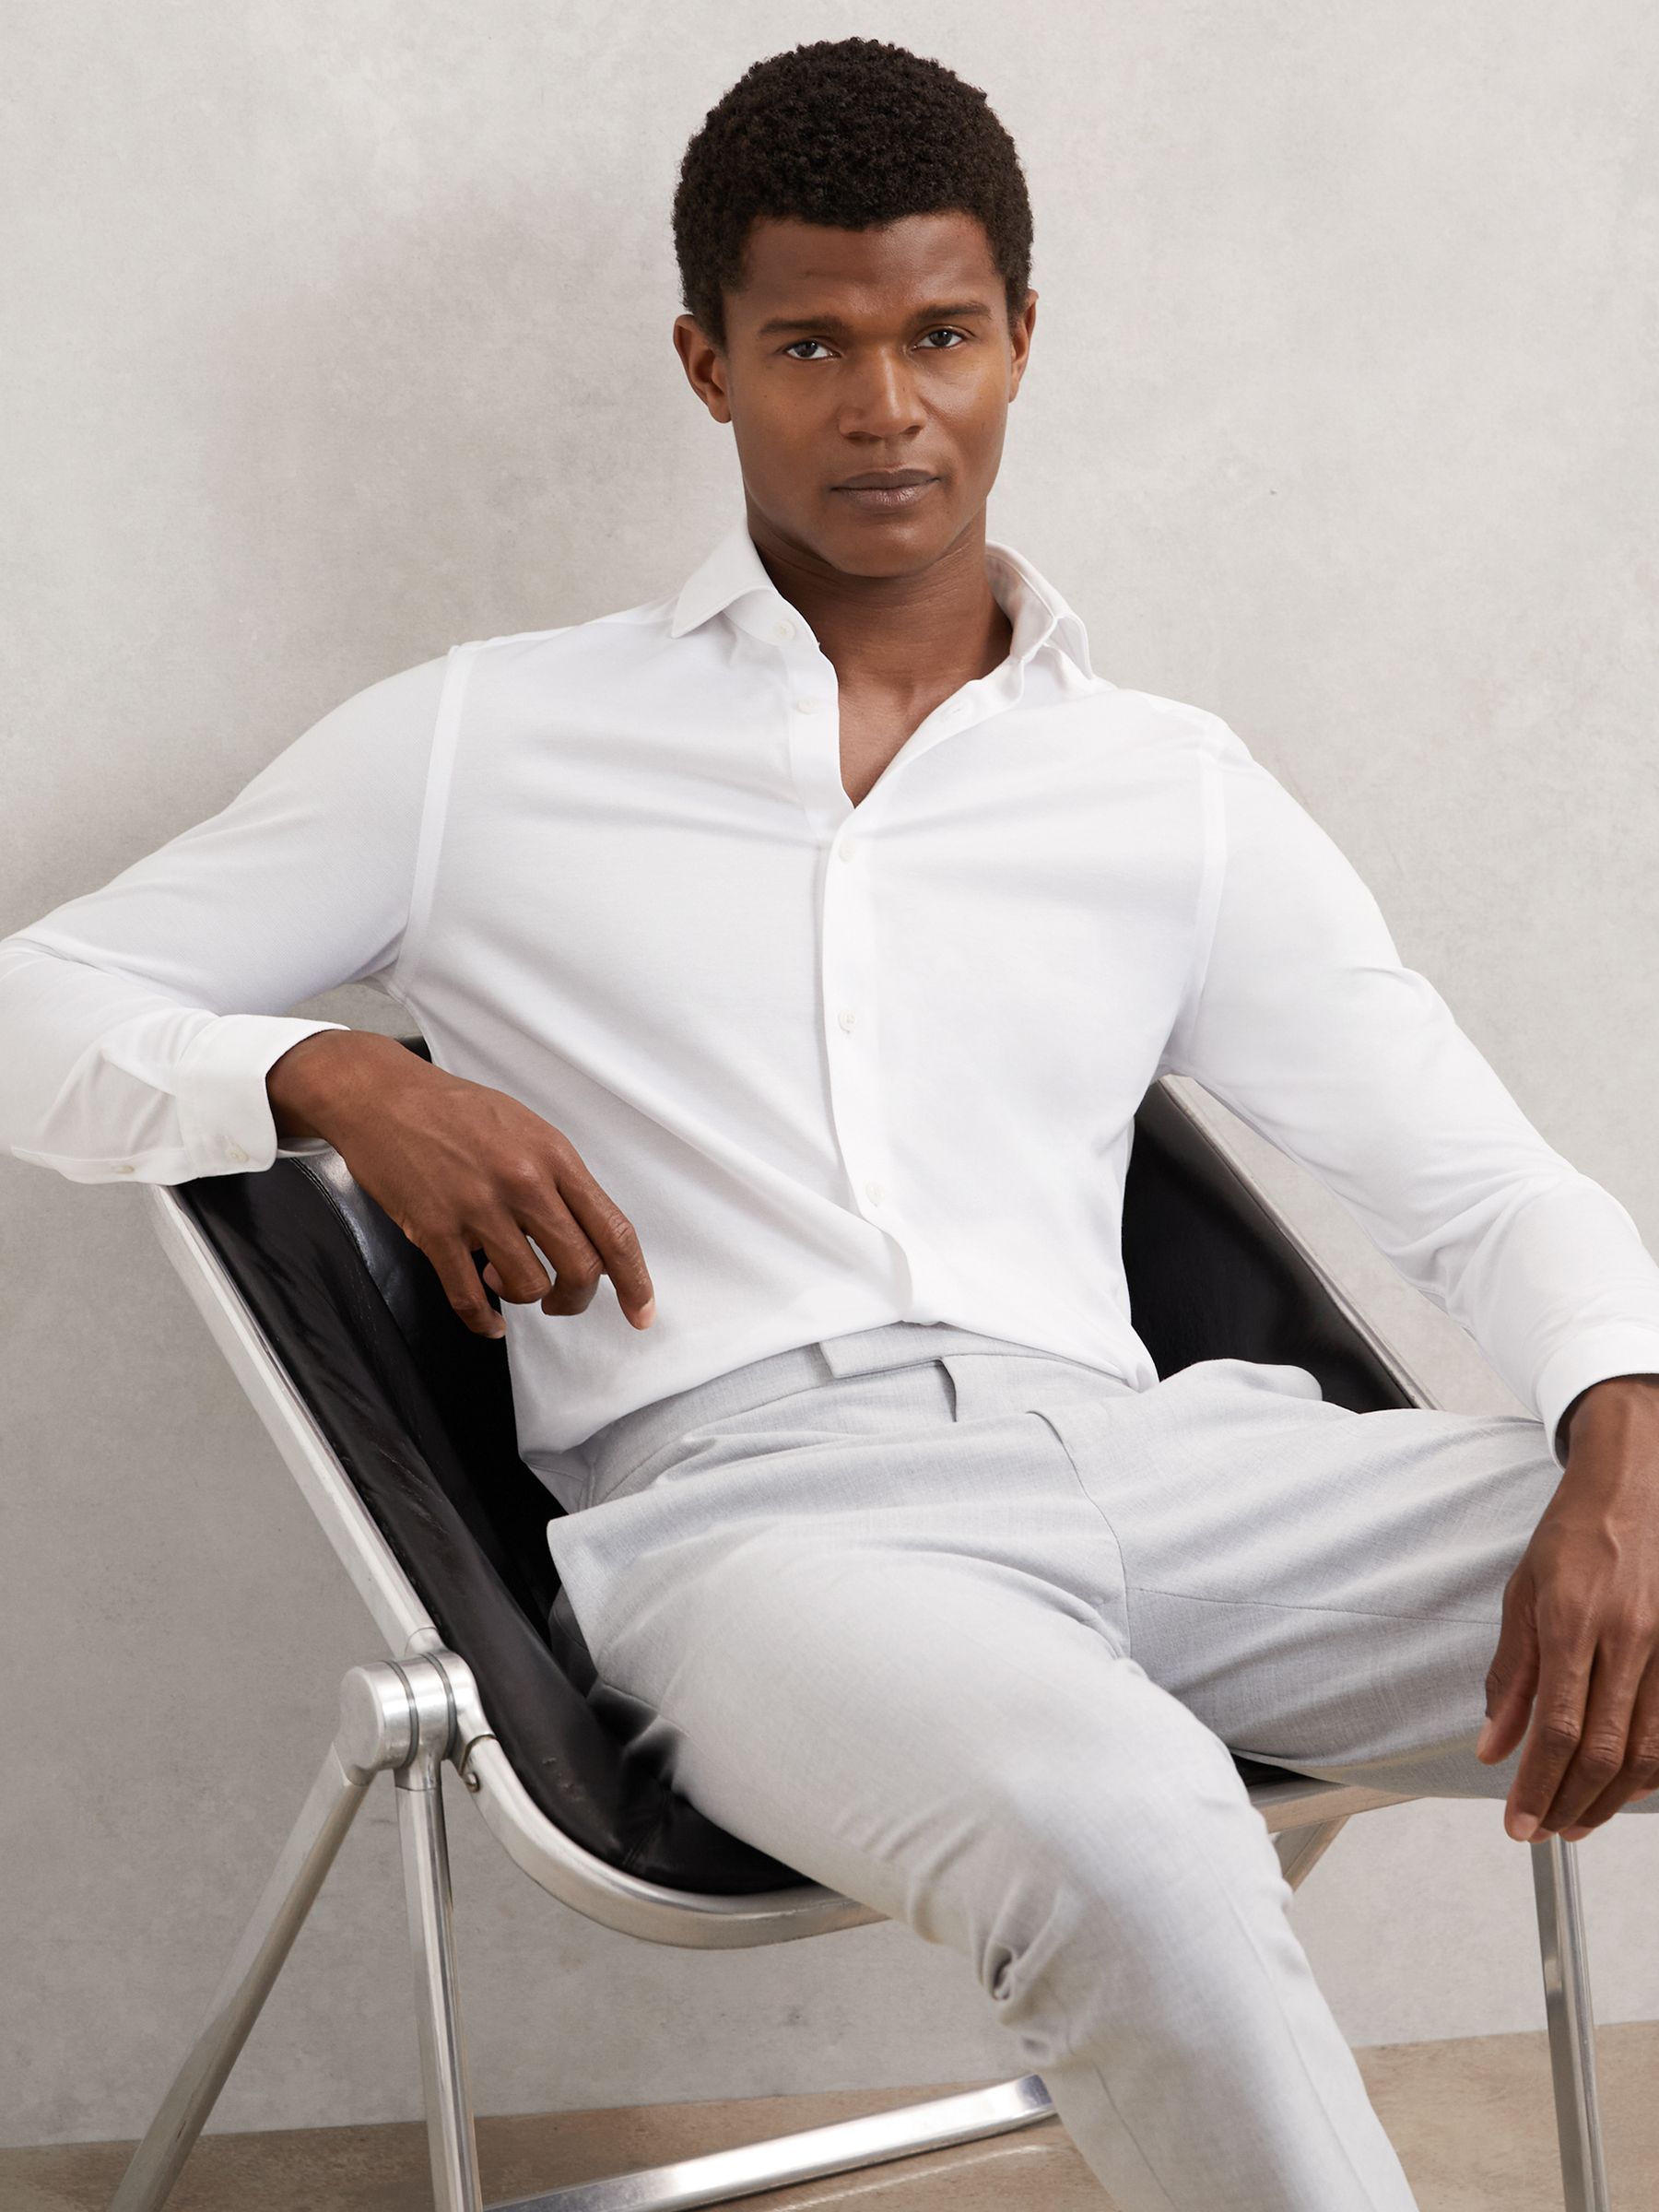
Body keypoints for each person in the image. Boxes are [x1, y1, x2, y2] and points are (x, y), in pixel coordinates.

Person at [4, 33, 1659, 2211]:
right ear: (709, 364)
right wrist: (329, 1073)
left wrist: (1623, 1429)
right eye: (812, 345)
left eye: (939, 335)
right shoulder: (484, 744)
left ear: (1021, 338)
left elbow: (1479, 1184)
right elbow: (36, 999)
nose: (887, 406)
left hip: (1176, 1469)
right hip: (761, 1533)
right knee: (1139, 1832)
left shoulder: (1165, 791)